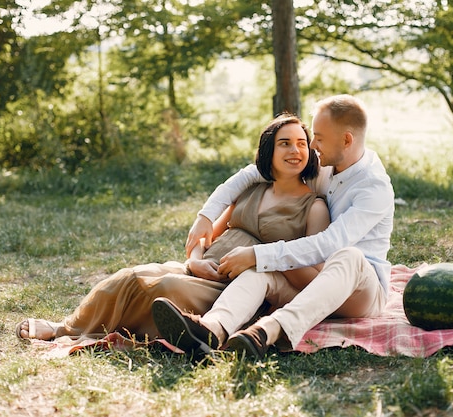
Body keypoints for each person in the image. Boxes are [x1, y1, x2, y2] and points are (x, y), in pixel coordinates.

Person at [15, 113, 330, 345]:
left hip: (235, 289)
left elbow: (315, 278)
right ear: (268, 152)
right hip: (199, 270)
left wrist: (261, 257)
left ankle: (129, 332)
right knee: (130, 276)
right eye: (284, 143)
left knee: (165, 287)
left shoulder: (313, 206)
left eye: (302, 143)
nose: (295, 151)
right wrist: (195, 260)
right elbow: (210, 235)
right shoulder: (250, 190)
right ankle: (64, 328)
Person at [152, 94, 394, 359]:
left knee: (349, 256)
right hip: (315, 286)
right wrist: (206, 216)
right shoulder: (327, 166)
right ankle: (211, 329)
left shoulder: (373, 187)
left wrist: (258, 253)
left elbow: (329, 244)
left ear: (346, 140)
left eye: (319, 138)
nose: (312, 145)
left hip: (360, 292)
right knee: (262, 272)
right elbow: (252, 173)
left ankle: (267, 330)